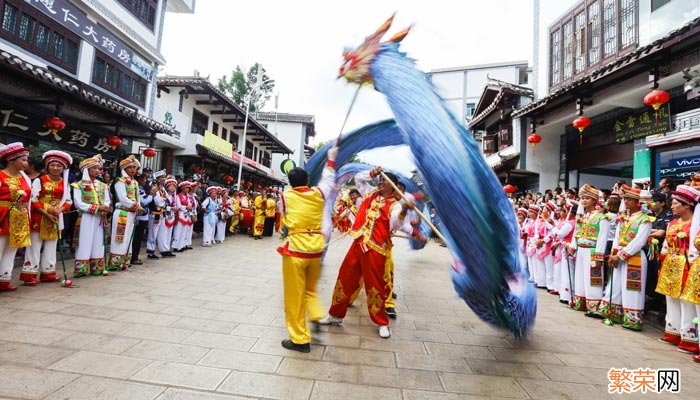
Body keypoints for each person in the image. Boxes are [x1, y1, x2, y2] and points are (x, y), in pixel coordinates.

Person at [319, 167, 426, 338]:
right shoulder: (370, 193)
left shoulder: (395, 205)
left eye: (385, 182)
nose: (381, 183)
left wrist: (407, 213)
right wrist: (373, 173)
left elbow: (397, 224)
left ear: (393, 187)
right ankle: (335, 315)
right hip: (358, 244)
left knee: (375, 286)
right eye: (380, 181)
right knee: (344, 278)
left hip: (375, 249)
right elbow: (359, 180)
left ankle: (382, 322)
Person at [276, 146, 338, 353]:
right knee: (310, 290)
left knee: (294, 297)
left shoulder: (285, 196)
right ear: (307, 181)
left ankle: (300, 339)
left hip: (296, 250)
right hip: (316, 249)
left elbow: (282, 215)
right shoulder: (318, 193)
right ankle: (317, 315)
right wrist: (331, 159)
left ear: (290, 183)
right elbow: (329, 180)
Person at [597, 184, 654, 330]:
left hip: (634, 256)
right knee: (615, 284)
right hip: (620, 255)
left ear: (638, 202)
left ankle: (632, 320)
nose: (626, 201)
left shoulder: (645, 219)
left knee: (632, 288)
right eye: (625, 199)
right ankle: (612, 313)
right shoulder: (623, 218)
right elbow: (617, 237)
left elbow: (639, 242)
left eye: (629, 199)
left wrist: (621, 255)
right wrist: (614, 254)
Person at [656, 184, 700, 354]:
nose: (672, 206)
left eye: (675, 203)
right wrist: (662, 260)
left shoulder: (695, 224)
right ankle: (672, 333)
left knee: (686, 302)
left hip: (687, 264)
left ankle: (689, 339)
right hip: (671, 264)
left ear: (687, 205)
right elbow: (666, 245)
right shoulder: (672, 223)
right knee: (671, 300)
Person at [21, 151, 73, 285]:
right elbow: (33, 199)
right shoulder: (40, 180)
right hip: (40, 216)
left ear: (63, 168)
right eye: (53, 165)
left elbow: (68, 201)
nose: (55, 168)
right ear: (47, 166)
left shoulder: (64, 183)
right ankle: (30, 275)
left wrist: (60, 210)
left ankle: (48, 273)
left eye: (59, 166)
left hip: (56, 217)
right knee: (34, 246)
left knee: (51, 246)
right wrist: (49, 211)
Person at [568, 184, 611, 314]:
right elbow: (576, 233)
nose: (584, 200)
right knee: (580, 276)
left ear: (594, 200)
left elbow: (603, 238)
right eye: (583, 198)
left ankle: (593, 306)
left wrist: (599, 256)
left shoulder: (602, 217)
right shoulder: (582, 216)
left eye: (587, 198)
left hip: (592, 250)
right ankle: (580, 302)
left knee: (592, 278)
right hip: (581, 249)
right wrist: (572, 247)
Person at [72, 154, 111, 277]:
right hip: (86, 216)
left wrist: (105, 206)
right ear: (86, 169)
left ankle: (97, 267)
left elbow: (107, 200)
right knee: (84, 240)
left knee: (98, 241)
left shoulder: (103, 185)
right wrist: (97, 207)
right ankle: (81, 269)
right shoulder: (78, 185)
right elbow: (78, 203)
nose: (97, 170)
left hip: (99, 216)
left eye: (98, 168)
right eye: (94, 168)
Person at [0, 143, 32, 291]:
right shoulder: (1, 175)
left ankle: (4, 280)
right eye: (23, 160)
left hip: (19, 218)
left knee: (11, 249)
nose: (26, 163)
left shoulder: (25, 178)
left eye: (26, 160)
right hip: (3, 215)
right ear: (11, 159)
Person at [107, 155, 143, 271]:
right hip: (122, 211)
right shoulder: (119, 181)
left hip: (132, 213)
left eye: (135, 167)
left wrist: (139, 206)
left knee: (128, 237)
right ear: (124, 169)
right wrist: (137, 206)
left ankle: (125, 262)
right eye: (130, 167)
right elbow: (122, 198)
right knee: (120, 238)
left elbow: (137, 198)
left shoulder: (135, 183)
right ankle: (115, 263)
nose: (133, 170)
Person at [131, 175, 155, 265]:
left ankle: (135, 256)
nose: (144, 180)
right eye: (142, 179)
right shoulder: (138, 189)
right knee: (137, 238)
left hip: (144, 216)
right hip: (140, 217)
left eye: (145, 179)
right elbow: (143, 202)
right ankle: (133, 257)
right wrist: (151, 196)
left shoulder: (142, 189)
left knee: (139, 237)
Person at [155, 178, 177, 258]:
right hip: (164, 215)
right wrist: (171, 208)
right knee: (163, 233)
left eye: (174, 186)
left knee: (169, 233)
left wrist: (174, 209)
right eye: (171, 186)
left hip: (171, 216)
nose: (173, 188)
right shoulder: (164, 195)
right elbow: (162, 205)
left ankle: (167, 249)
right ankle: (163, 250)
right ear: (167, 187)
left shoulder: (172, 197)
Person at [172, 181, 195, 252]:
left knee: (184, 231)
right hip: (180, 215)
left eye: (188, 188)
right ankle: (175, 246)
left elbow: (190, 204)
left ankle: (181, 245)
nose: (187, 190)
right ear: (182, 188)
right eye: (186, 188)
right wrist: (186, 207)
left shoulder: (187, 196)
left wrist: (189, 209)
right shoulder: (178, 196)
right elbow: (178, 206)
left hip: (186, 215)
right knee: (178, 230)